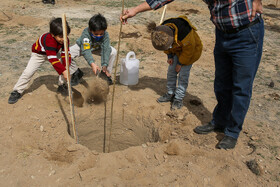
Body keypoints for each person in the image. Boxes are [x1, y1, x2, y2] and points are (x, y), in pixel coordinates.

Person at [120, 0, 264, 149]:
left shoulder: (185, 36)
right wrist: (135, 10)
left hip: (246, 33)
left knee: (241, 87)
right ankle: (220, 122)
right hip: (222, 34)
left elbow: (188, 52)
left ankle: (232, 132)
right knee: (221, 83)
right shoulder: (169, 32)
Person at [8, 17, 80, 104]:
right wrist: (63, 70)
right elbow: (52, 59)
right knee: (28, 72)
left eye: (66, 36)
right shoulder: (48, 39)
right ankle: (17, 91)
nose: (64, 39)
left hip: (53, 53)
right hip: (39, 55)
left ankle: (62, 85)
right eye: (61, 37)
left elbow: (65, 54)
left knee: (65, 67)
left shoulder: (65, 40)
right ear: (53, 34)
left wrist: (65, 67)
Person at [150, 16, 202, 110]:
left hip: (190, 53)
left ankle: (178, 98)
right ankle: (170, 93)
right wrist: (169, 56)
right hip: (176, 50)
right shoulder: (162, 30)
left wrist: (180, 63)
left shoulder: (185, 33)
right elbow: (165, 46)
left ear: (172, 37)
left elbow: (188, 52)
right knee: (171, 72)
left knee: (183, 76)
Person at [70, 13, 117, 85]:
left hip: (96, 48)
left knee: (113, 51)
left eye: (101, 34)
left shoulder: (105, 35)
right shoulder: (86, 33)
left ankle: (105, 73)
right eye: (96, 34)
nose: (99, 36)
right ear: (90, 30)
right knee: (67, 53)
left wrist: (104, 65)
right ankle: (75, 72)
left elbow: (106, 49)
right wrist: (92, 64)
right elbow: (86, 50)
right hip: (83, 47)